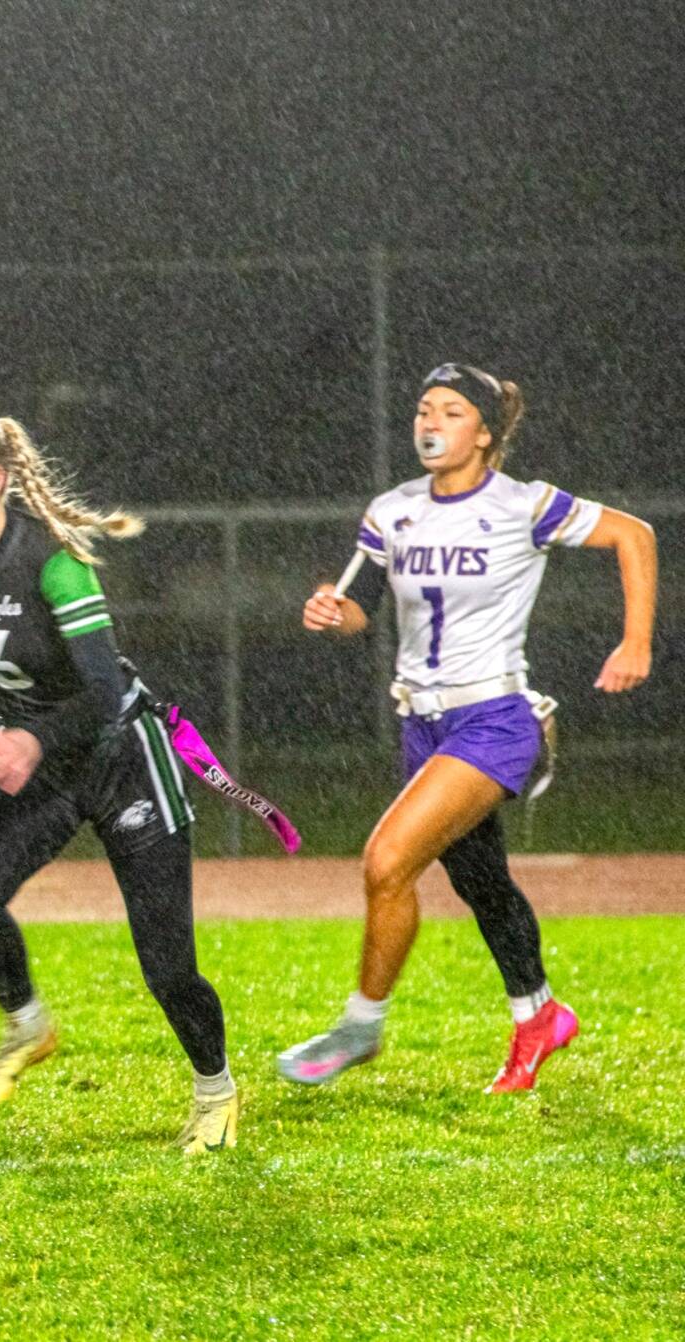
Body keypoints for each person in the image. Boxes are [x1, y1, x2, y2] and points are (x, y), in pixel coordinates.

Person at [0, 404, 237, 1154]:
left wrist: (29, 736)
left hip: (121, 758)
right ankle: (27, 1023)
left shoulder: (54, 560)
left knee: (167, 966)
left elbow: (100, 692)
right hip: (37, 762)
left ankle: (216, 1089)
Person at [278, 363, 656, 1092]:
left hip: (495, 719)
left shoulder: (525, 505)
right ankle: (540, 1016)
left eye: (451, 412)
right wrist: (334, 611)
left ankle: (360, 1027)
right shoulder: (392, 510)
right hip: (420, 723)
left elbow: (634, 536)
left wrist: (634, 640)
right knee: (482, 882)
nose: (431, 422)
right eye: (425, 409)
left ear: (483, 434)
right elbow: (363, 617)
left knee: (387, 861)